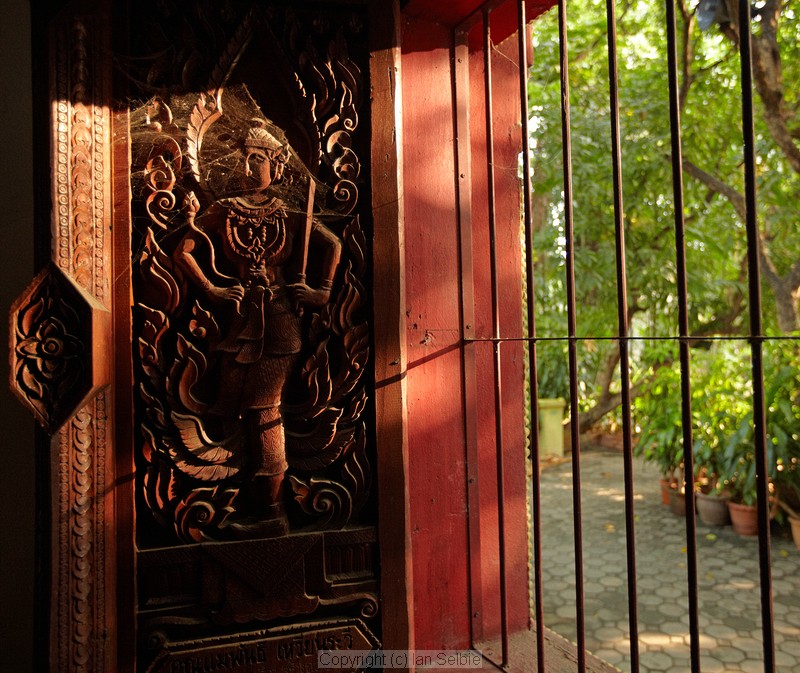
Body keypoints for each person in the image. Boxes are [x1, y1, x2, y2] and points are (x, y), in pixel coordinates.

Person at [173, 118, 341, 536]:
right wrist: (211, 289)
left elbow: (332, 245)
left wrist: (321, 291)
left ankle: (272, 516)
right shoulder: (224, 210)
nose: (248, 167)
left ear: (277, 167)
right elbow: (183, 251)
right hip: (241, 323)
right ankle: (241, 494)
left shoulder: (285, 212)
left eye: (258, 159)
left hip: (281, 325)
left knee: (265, 410)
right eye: (243, 159)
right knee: (232, 407)